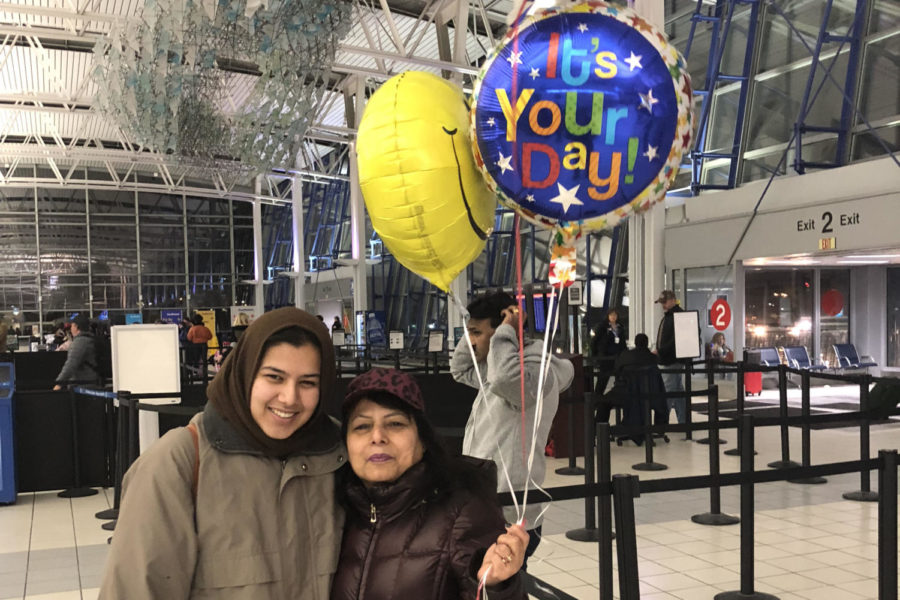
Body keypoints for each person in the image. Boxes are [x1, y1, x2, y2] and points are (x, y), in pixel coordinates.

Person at [99, 308, 345, 599]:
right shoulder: (179, 463)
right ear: (244, 373)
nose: (290, 398)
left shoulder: (338, 455)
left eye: (308, 383)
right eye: (274, 377)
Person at [332, 368, 528, 600]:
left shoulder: (463, 512)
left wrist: (497, 587)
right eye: (362, 426)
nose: (377, 436)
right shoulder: (335, 509)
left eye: (395, 424)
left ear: (423, 439)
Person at [450, 291, 574, 564]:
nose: (471, 340)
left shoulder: (535, 371)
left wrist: (505, 331)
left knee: (504, 590)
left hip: (511, 512)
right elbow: (460, 369)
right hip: (484, 501)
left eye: (476, 333)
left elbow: (507, 382)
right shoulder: (499, 365)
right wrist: (475, 330)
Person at [654, 290, 686, 424]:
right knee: (678, 392)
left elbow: (675, 341)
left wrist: (660, 351)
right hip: (670, 359)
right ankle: (684, 421)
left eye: (664, 302)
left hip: (670, 360)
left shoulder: (676, 316)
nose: (663, 305)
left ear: (673, 300)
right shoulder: (670, 316)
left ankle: (661, 423)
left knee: (667, 391)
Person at [53, 314, 97, 390]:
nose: (71, 329)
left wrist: (58, 384)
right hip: (91, 381)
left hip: (82, 385)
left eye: (72, 326)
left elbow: (71, 365)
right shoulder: (90, 339)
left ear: (76, 327)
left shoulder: (79, 342)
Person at [591, 308, 626, 395]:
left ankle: (618, 398)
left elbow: (623, 342)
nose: (613, 317)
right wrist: (596, 355)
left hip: (617, 357)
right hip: (605, 357)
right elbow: (595, 341)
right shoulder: (602, 327)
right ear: (608, 316)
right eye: (611, 315)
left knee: (620, 379)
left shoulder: (620, 327)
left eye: (615, 315)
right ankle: (597, 399)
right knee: (602, 380)